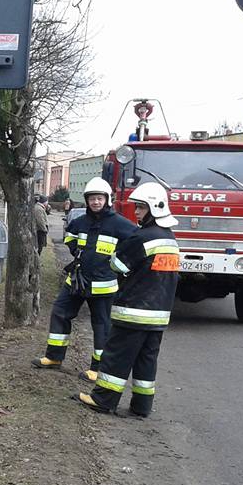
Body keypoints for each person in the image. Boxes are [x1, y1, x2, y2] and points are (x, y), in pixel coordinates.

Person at [78, 182, 179, 417]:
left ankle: (102, 400)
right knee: (146, 361)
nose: (136, 213)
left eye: (141, 208)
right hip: (159, 314)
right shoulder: (170, 239)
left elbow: (117, 265)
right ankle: (141, 407)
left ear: (154, 208)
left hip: (134, 311)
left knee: (116, 357)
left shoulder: (142, 237)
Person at [31, 177, 137, 381]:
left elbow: (135, 245)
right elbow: (69, 237)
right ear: (87, 200)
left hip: (103, 286)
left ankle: (98, 369)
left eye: (99, 198)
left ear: (107, 199)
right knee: (60, 313)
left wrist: (120, 264)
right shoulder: (79, 222)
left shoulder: (121, 224)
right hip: (77, 281)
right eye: (92, 199)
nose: (96, 202)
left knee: (101, 326)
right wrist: (77, 251)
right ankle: (53, 357)